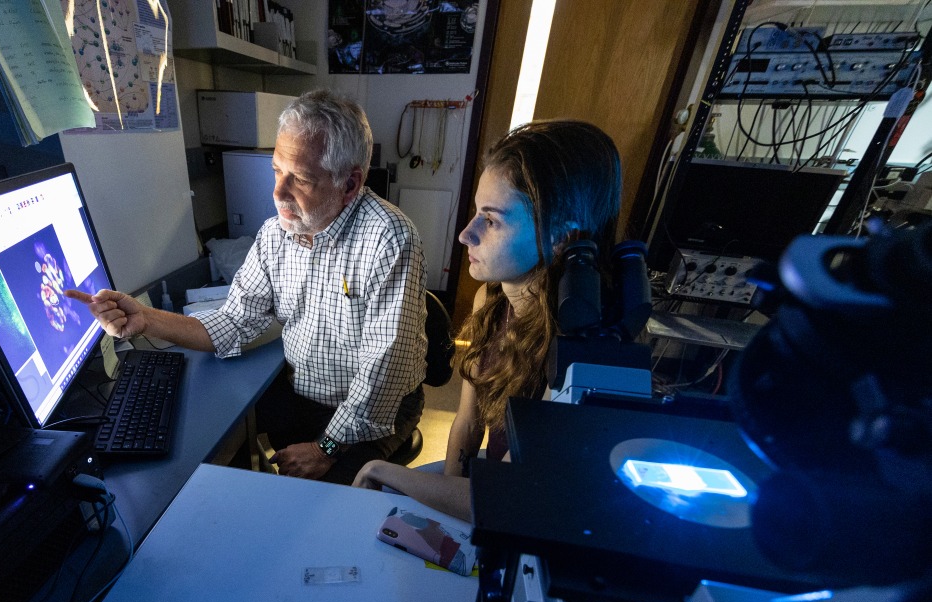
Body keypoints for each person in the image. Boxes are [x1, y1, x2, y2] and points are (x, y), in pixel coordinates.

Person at [66, 89, 428, 485]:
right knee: (201, 431)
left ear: (350, 184)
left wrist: (326, 447)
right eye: (277, 171)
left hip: (377, 411)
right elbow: (234, 321)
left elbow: (382, 372)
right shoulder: (276, 235)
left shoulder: (389, 239)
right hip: (304, 394)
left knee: (320, 509)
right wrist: (145, 320)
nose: (277, 193)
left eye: (300, 179)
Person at [352, 120, 622, 520]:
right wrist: (444, 511)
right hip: (492, 487)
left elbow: (508, 496)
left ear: (560, 236)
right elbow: (467, 422)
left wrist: (379, 469)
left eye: (491, 220)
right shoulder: (490, 301)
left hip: (525, 509)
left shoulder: (582, 342)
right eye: (477, 213)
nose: (465, 234)